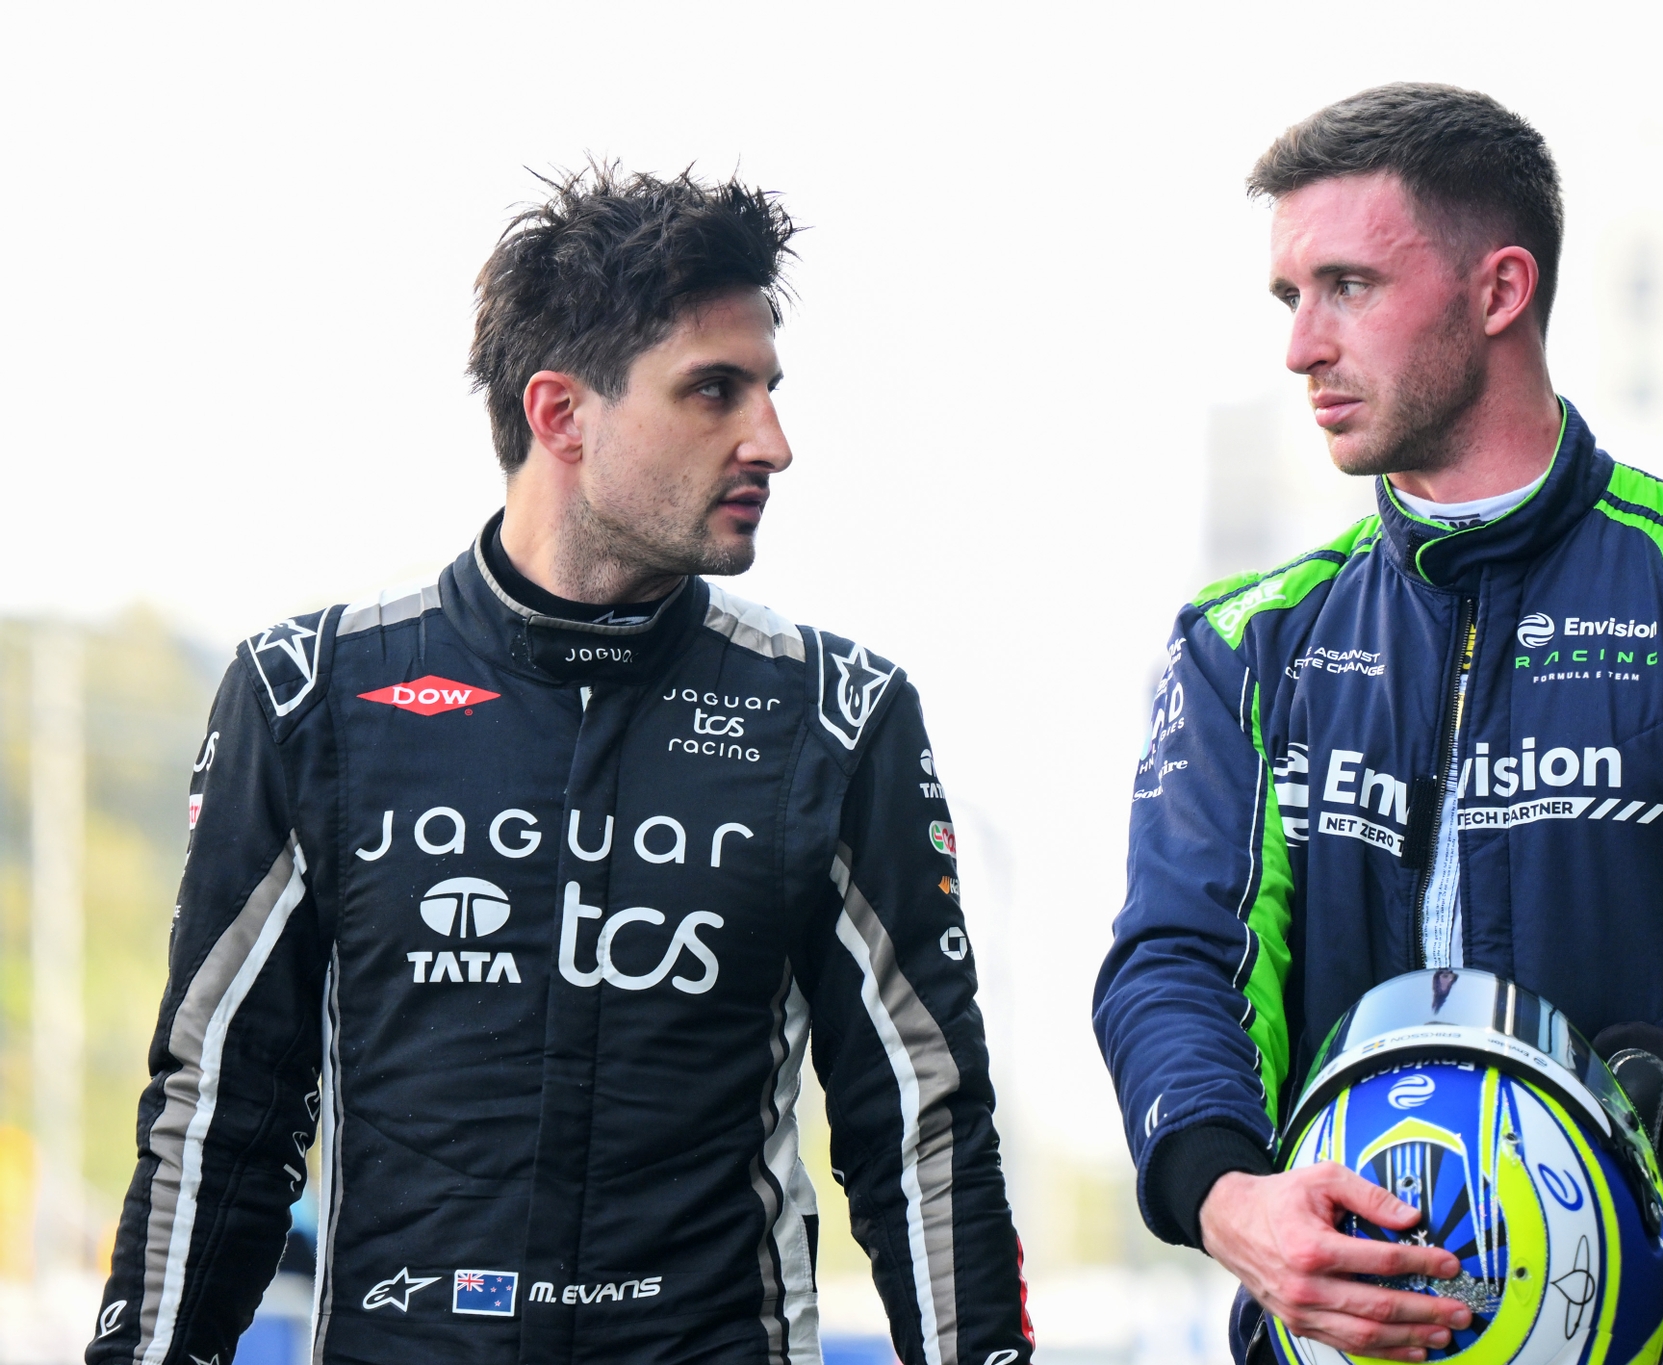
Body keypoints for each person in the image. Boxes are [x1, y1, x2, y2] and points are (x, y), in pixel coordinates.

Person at [91, 165, 1034, 1365]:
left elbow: (923, 1130)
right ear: (559, 415)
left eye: (769, 391)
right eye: (714, 391)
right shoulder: (310, 693)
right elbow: (218, 1115)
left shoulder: (836, 714)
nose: (773, 443)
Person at [1093, 84, 1663, 1365]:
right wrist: (1227, 1198)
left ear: (1498, 290)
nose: (1301, 347)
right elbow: (1174, 962)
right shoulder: (1243, 642)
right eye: (1288, 297)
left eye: (1347, 287)